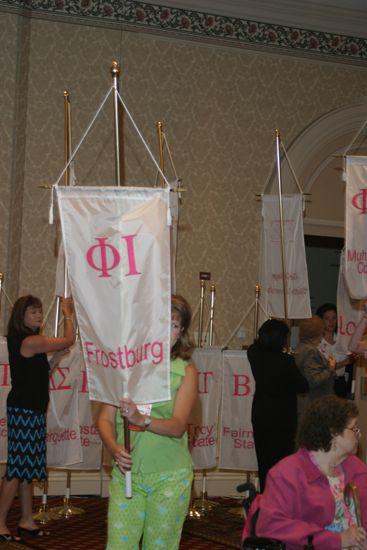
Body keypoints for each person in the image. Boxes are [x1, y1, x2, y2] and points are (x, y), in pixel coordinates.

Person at [96, 295, 198, 550]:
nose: (166, 331)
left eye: (174, 325)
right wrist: (113, 448)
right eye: (161, 322)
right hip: (127, 474)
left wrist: (142, 420)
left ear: (181, 332)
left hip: (170, 477)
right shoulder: (123, 367)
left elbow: (177, 426)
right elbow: (105, 418)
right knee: (119, 546)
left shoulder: (185, 371)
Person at [242, 395, 367, 549]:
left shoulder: (356, 468)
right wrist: (337, 540)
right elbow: (271, 525)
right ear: (333, 433)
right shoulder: (287, 473)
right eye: (354, 428)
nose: (359, 434)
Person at [0, 294, 75, 542]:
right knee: (16, 467)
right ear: (21, 315)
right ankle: (0, 522)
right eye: (34, 312)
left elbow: (41, 374)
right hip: (23, 411)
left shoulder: (31, 342)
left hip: (32, 410)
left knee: (27, 467)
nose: (39, 316)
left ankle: (26, 520)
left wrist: (55, 359)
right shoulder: (29, 341)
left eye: (40, 311)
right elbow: (69, 338)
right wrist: (67, 312)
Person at [247, 319, 308, 492]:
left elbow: (256, 346)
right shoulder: (286, 361)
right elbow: (303, 386)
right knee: (282, 463)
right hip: (283, 419)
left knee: (264, 461)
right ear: (280, 338)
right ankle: (280, 501)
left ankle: (265, 498)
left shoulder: (253, 354)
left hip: (261, 415)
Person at [295, 316, 336, 415]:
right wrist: (330, 366)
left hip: (308, 403)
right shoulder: (310, 351)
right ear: (317, 333)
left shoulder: (300, 347)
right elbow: (314, 380)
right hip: (314, 404)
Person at [316, 303, 355, 398]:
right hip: (323, 384)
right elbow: (323, 367)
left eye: (334, 318)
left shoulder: (343, 339)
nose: (331, 322)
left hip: (340, 383)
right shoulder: (317, 342)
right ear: (321, 320)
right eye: (327, 318)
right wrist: (346, 362)